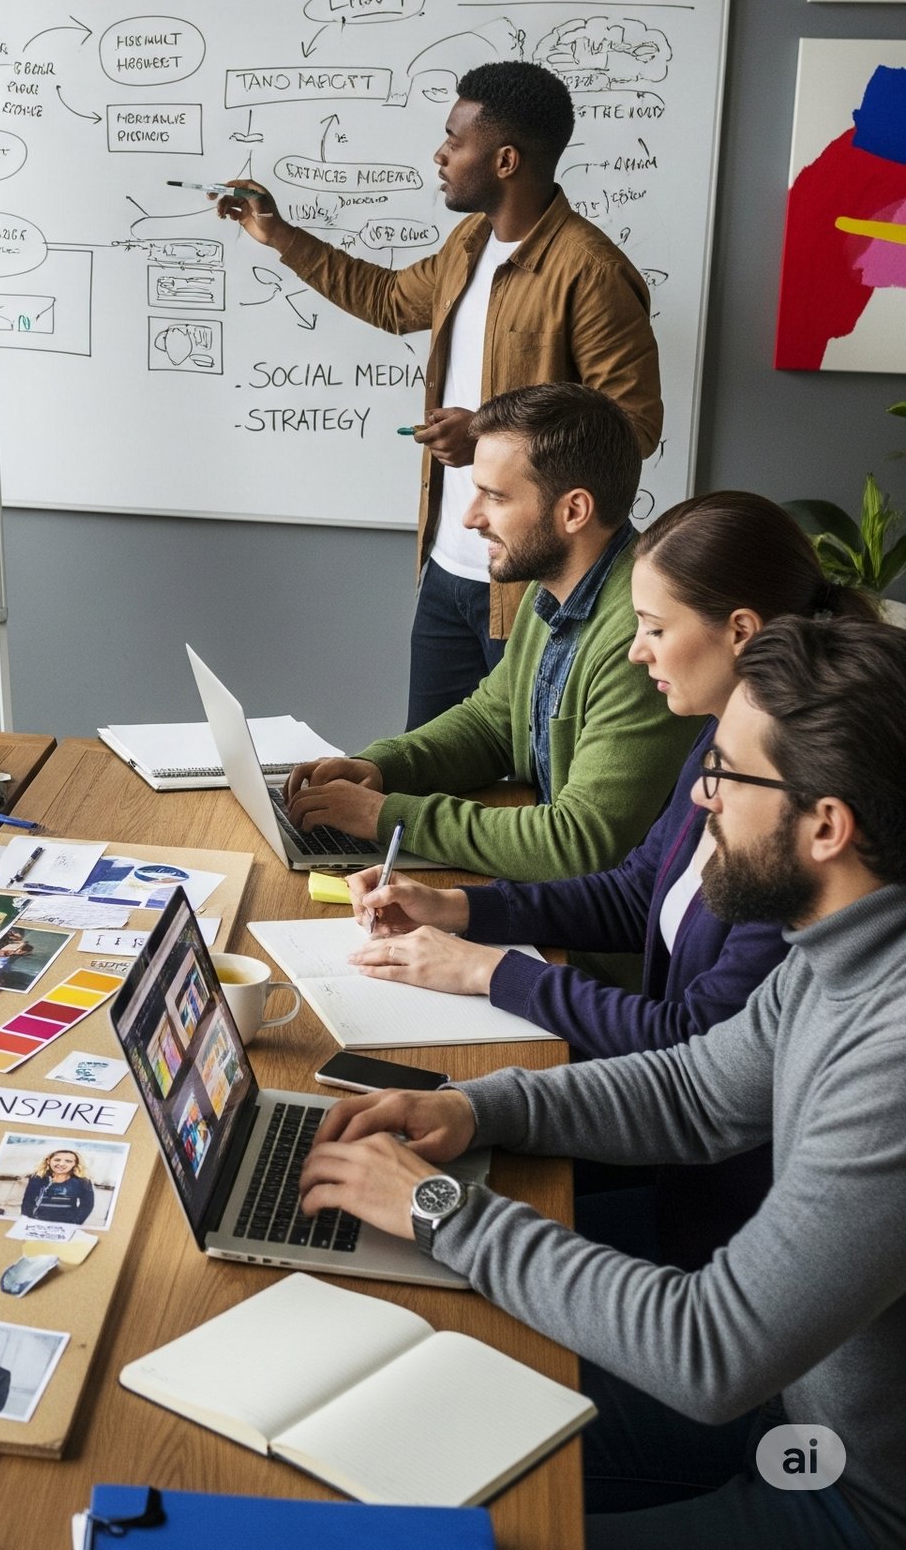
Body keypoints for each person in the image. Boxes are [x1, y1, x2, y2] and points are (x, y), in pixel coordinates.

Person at [297, 617, 906, 1548]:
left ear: (827, 826)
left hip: (846, 1494)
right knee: (378, 1431)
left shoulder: (892, 1049)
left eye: (729, 775)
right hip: (786, 1401)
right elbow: (699, 1093)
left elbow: (712, 1348)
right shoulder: (841, 942)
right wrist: (474, 1107)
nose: (701, 799)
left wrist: (438, 1208)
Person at [344, 493, 875, 1264]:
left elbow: (690, 1050)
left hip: (707, 1230)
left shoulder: (790, 853)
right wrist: (462, 910)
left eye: (655, 629)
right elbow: (640, 906)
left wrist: (491, 975)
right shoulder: (730, 747)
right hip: (677, 1178)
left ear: (741, 634)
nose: (636, 651)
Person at [216, 61, 661, 727]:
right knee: (426, 774)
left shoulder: (590, 272)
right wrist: (278, 234)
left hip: (535, 588)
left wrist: (485, 430)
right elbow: (390, 299)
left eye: (456, 140)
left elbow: (632, 425)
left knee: (524, 787)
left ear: (506, 160)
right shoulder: (469, 243)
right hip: (448, 570)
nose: (440, 154)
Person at [285, 384, 702, 881]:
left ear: (573, 511)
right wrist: (381, 768)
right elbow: (492, 722)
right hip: (545, 902)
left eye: (495, 496)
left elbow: (580, 843)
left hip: (592, 946)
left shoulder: (638, 638)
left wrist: (384, 816)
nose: (470, 517)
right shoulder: (551, 588)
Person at [20, 1147, 97, 1226]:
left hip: (67, 1224)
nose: (61, 1164)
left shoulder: (83, 1182)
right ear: (48, 1161)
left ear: (75, 1164)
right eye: (57, 1160)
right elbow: (28, 1202)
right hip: (38, 1222)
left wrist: (75, 1223)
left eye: (68, 1161)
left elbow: (87, 1206)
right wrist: (27, 1220)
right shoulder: (38, 1178)